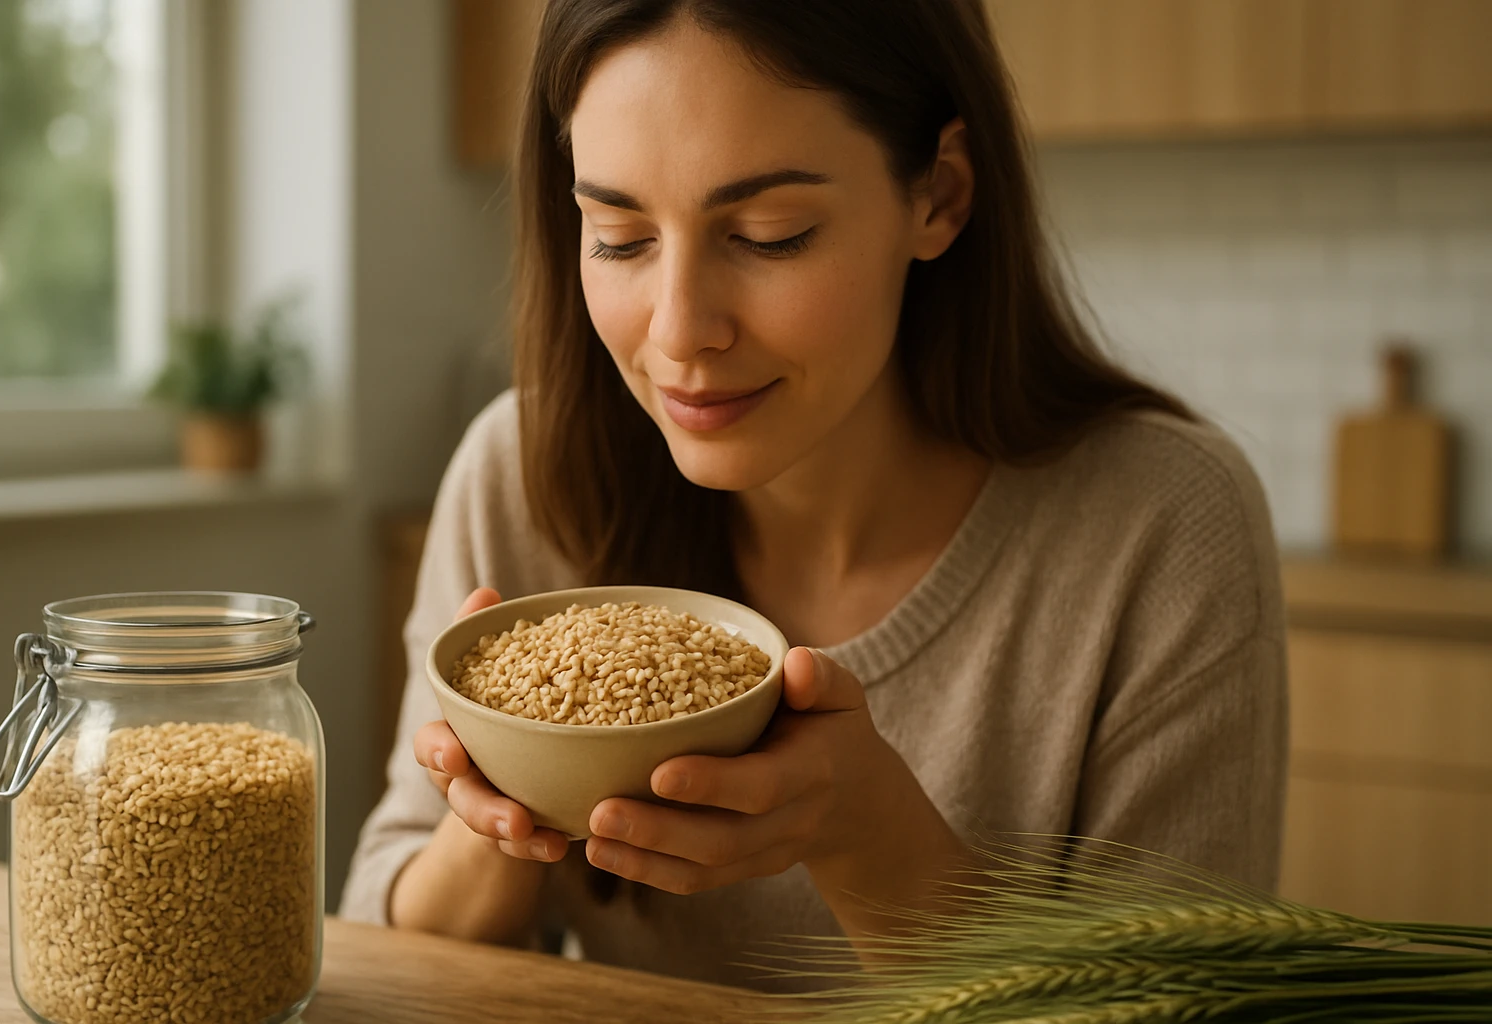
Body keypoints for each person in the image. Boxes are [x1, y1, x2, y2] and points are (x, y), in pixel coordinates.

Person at [339, 0, 1288, 991]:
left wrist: (865, 836)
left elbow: (1175, 1004)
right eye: (619, 236)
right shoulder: (525, 473)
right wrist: (512, 794)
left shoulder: (1165, 525)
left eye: (769, 234)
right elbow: (389, 938)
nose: (679, 332)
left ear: (941, 196)